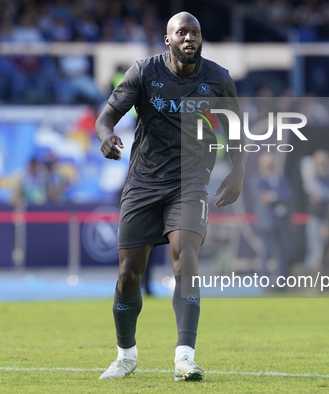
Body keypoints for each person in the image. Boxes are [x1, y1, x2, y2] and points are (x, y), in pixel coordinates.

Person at [95, 12, 245, 381]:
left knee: (186, 262)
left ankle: (184, 357)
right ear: (168, 39)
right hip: (143, 183)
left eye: (195, 32)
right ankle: (126, 355)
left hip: (191, 182)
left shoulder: (218, 79)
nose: (190, 37)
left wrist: (239, 170)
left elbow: (236, 131)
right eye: (182, 32)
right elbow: (105, 119)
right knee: (130, 274)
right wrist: (105, 138)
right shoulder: (144, 72)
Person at [255, 152, 294, 279]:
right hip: (267, 222)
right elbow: (262, 198)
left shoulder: (281, 179)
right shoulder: (257, 180)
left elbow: (289, 195)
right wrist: (275, 196)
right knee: (266, 252)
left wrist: (274, 196)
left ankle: (281, 280)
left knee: (282, 252)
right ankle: (264, 279)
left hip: (281, 221)